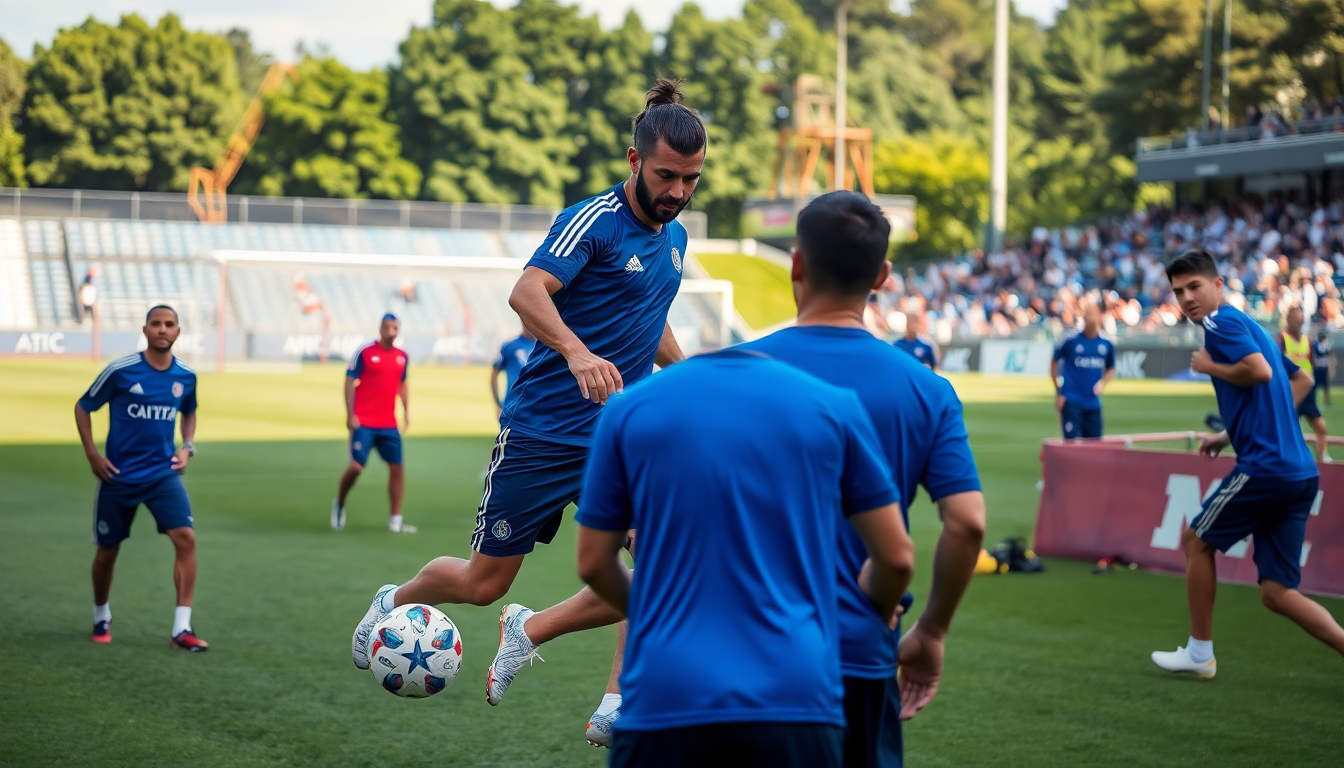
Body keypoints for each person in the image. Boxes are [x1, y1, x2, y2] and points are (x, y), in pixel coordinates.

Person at [350, 78, 704, 741]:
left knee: (654, 559)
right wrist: (575, 352)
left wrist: (689, 375)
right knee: (484, 583)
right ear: (635, 161)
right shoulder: (593, 220)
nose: (679, 192)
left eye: (691, 179)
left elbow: (648, 320)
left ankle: (615, 701)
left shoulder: (676, 241)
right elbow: (527, 291)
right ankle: (394, 600)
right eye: (667, 176)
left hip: (619, 437)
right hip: (542, 430)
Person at [575, 348, 915, 768]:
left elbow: (593, 562)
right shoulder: (834, 405)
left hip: (669, 686)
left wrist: (655, 613)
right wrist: (878, 605)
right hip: (795, 685)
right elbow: (896, 558)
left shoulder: (628, 408)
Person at [743, 192, 986, 767]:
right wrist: (930, 632)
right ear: (882, 276)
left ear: (796, 264)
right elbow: (968, 523)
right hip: (856, 650)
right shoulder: (927, 390)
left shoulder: (733, 370)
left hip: (743, 650)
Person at [1152, 250, 1344, 677]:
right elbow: (1300, 380)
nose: (1186, 298)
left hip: (1266, 469)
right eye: (1178, 291)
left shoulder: (1220, 324)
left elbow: (1258, 372)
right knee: (1277, 592)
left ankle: (1199, 654)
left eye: (1194, 287)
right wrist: (1231, 433)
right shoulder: (1253, 326)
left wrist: (1210, 368)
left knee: (1196, 542)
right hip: (1300, 473)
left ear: (1218, 285)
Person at [74, 305, 207, 651]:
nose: (163, 329)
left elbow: (189, 411)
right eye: (156, 324)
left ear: (178, 331)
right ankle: (101, 613)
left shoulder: (186, 376)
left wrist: (187, 446)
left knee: (186, 539)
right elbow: (83, 406)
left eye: (169, 324)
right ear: (145, 330)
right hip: (118, 476)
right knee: (107, 552)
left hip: (163, 474)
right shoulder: (121, 371)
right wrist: (93, 455)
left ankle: (182, 628)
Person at [331, 314, 414, 533]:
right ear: (380, 329)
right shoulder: (365, 353)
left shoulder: (402, 357)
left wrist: (406, 411)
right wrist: (350, 414)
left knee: (397, 468)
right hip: (364, 421)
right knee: (357, 466)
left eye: (395, 327)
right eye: (387, 327)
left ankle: (395, 519)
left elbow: (402, 385)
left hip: (388, 424)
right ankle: (339, 503)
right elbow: (349, 382)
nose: (391, 332)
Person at [1050, 300, 1116, 439]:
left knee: (1094, 446)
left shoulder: (1106, 344)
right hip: (1072, 401)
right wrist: (1059, 391)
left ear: (1100, 317)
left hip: (1093, 403)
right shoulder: (1070, 340)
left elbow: (1111, 368)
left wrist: (1102, 384)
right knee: (1071, 445)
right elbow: (1054, 363)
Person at [1279, 307, 1330, 461]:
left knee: (1321, 427)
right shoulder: (1280, 339)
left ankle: (1323, 457)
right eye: (1296, 321)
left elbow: (1311, 362)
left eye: (1301, 321)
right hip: (1290, 392)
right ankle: (1287, 459)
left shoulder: (1307, 340)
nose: (1299, 324)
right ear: (1288, 319)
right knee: (1288, 430)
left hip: (1307, 393)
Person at [490, 329, 536, 415]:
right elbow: (494, 374)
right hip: (513, 406)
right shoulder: (510, 346)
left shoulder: (545, 347)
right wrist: (498, 403)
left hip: (537, 406)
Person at [1313, 329, 1334, 408]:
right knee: (1325, 385)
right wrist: (1332, 368)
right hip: (1324, 367)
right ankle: (1327, 401)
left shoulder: (1315, 344)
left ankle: (1315, 401)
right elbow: (1331, 356)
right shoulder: (1328, 345)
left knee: (1316, 386)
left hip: (1318, 367)